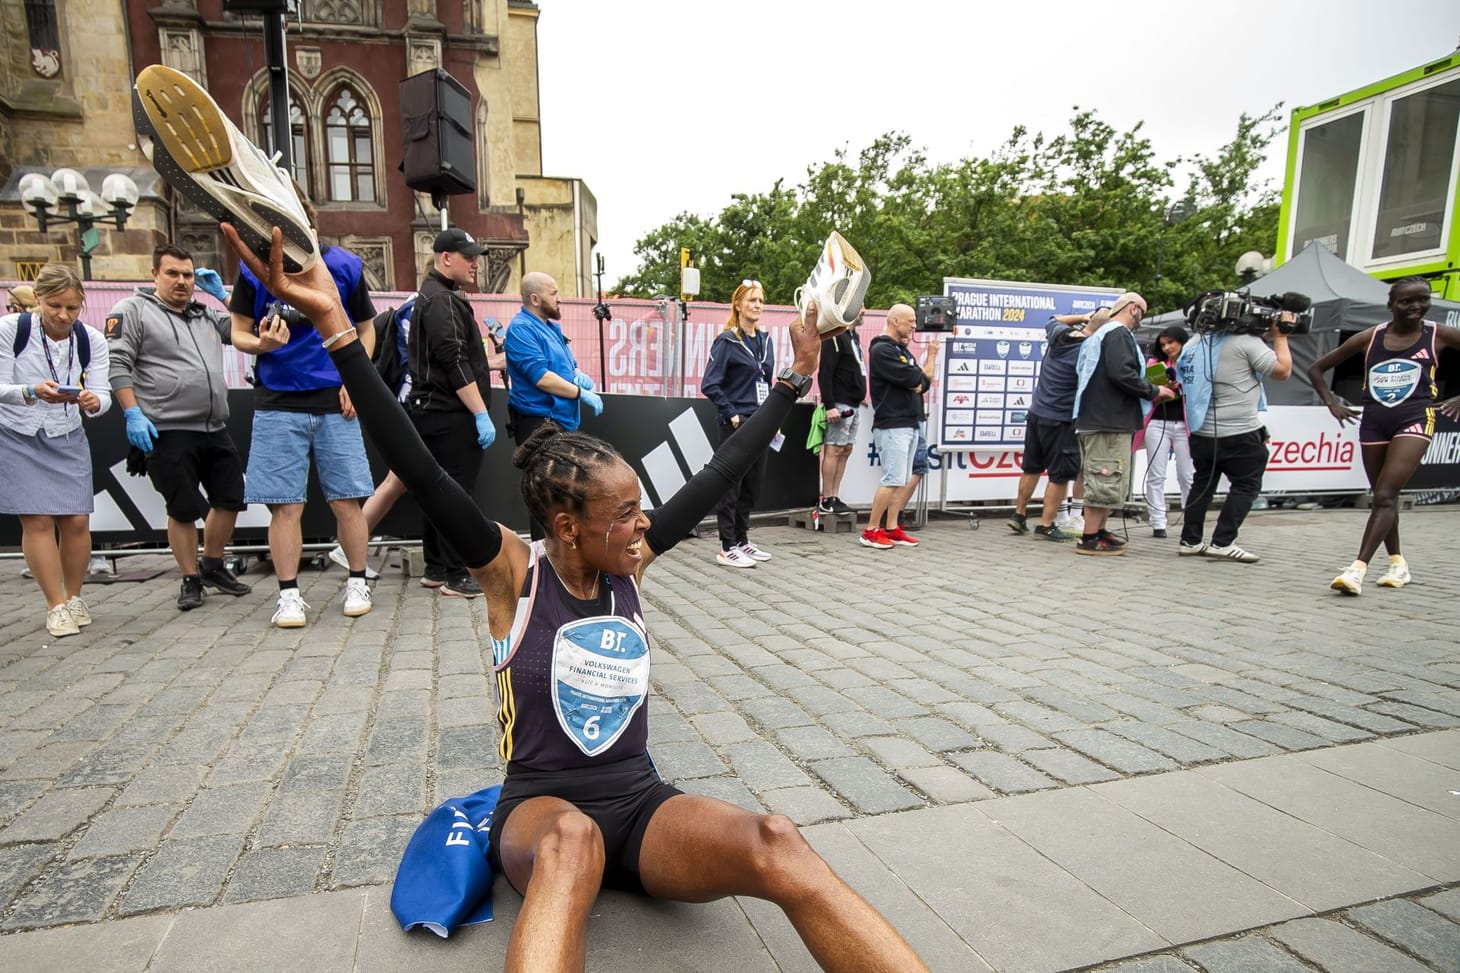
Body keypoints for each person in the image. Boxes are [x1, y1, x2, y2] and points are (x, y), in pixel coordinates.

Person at [224, 222, 930, 973]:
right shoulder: (512, 572)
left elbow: (721, 472)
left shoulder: (630, 564)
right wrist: (335, 326)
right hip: (539, 815)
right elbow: (421, 469)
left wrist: (795, 375)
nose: (643, 524)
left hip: (641, 807)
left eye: (639, 509)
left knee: (778, 840)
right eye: (623, 514)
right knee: (572, 844)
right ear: (565, 525)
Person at [229, 199, 377, 628]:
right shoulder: (254, 268)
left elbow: (366, 330)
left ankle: (357, 580)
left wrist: (355, 379)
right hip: (278, 402)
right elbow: (238, 330)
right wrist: (261, 346)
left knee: (348, 501)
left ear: (307, 220)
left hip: (336, 402)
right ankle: (289, 596)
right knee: (285, 507)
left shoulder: (344, 266)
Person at [106, 244, 254, 610]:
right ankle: (190, 578)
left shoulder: (204, 314)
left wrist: (225, 296)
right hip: (165, 427)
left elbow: (240, 330)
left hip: (213, 424)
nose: (182, 282)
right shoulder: (133, 310)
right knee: (183, 507)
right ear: (155, 274)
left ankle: (213, 564)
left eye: (187, 275)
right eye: (173, 274)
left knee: (230, 498)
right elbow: (118, 364)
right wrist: (132, 413)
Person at [1308, 277, 1460, 594]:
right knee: (1382, 497)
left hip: (1416, 417)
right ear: (1391, 305)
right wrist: (1331, 403)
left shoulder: (1438, 334)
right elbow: (1316, 369)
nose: (1417, 306)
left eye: (1423, 299)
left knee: (1385, 495)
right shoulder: (1370, 337)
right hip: (1374, 421)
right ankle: (1398, 563)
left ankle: (1356, 570)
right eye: (1407, 301)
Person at [0, 265, 111, 636]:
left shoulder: (91, 339)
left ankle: (75, 595)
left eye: (72, 308)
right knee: (38, 520)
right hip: (18, 432)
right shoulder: (11, 330)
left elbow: (103, 391)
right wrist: (30, 391)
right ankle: (55, 604)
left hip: (67, 432)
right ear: (38, 300)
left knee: (77, 520)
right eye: (54, 306)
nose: (63, 315)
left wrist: (95, 401)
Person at [404, 228, 501, 597]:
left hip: (435, 413)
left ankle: (436, 567)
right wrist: (479, 412)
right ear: (446, 258)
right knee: (455, 495)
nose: (475, 263)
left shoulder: (436, 296)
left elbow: (457, 359)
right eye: (469, 256)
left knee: (437, 491)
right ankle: (457, 574)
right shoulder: (441, 299)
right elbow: (453, 361)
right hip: (449, 415)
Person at [1174, 304, 1292, 563]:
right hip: (1240, 431)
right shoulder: (1245, 342)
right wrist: (1281, 336)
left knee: (1202, 486)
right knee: (1246, 485)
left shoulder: (1194, 343)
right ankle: (1222, 542)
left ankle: (1190, 540)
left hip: (1201, 430)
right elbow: (1282, 371)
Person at [1072, 292, 1176, 555]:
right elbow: (1122, 373)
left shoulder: (1100, 335)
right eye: (1142, 311)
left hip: (1101, 418)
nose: (1142, 319)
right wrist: (1154, 391)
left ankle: (1100, 530)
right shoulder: (1117, 334)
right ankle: (1090, 536)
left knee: (1108, 478)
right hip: (1107, 420)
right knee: (1105, 477)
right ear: (1132, 309)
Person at [505, 271, 603, 540]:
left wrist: (577, 373)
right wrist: (579, 392)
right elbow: (542, 377)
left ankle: (561, 554)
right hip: (540, 423)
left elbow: (566, 366)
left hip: (562, 423)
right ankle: (544, 558)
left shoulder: (551, 327)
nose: (559, 299)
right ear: (535, 298)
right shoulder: (521, 329)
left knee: (562, 492)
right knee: (544, 493)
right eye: (554, 293)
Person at [1009, 308, 1104, 542]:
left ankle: (1019, 514)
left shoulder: (1060, 335)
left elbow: (1054, 319)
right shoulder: (1089, 350)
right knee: (1060, 475)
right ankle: (1046, 524)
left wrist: (1083, 317)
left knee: (1031, 467)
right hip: (1061, 419)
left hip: (1037, 413)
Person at [701, 280, 776, 567]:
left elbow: (765, 383)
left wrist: (772, 417)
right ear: (738, 305)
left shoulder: (765, 341)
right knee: (732, 484)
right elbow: (710, 383)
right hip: (736, 423)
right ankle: (727, 545)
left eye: (760, 300)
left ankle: (743, 539)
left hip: (760, 422)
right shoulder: (727, 341)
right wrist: (731, 413)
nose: (757, 305)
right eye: (752, 300)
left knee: (753, 485)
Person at [862, 303, 938, 550]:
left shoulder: (902, 351)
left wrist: (917, 381)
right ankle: (871, 529)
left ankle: (892, 527)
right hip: (893, 423)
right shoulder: (882, 349)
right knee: (893, 478)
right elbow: (914, 379)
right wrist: (917, 380)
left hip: (911, 421)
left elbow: (922, 384)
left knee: (902, 479)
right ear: (895, 321)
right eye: (910, 321)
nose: (914, 325)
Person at [1141, 325, 1195, 538]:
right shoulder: (1154, 364)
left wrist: (1181, 388)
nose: (1167, 347)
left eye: (1171, 342)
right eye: (1163, 344)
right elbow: (1146, 395)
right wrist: (1163, 390)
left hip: (1185, 425)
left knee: (1187, 475)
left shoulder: (1192, 363)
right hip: (1157, 422)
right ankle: (1158, 522)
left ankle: (1191, 520)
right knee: (1156, 474)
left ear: (1182, 341)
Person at [816, 324, 866, 515]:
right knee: (834, 449)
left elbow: (854, 368)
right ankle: (826, 498)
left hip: (853, 403)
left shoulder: (853, 336)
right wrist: (829, 404)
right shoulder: (834, 336)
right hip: (839, 403)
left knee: (846, 449)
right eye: (859, 305)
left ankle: (835, 496)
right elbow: (825, 371)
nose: (863, 309)